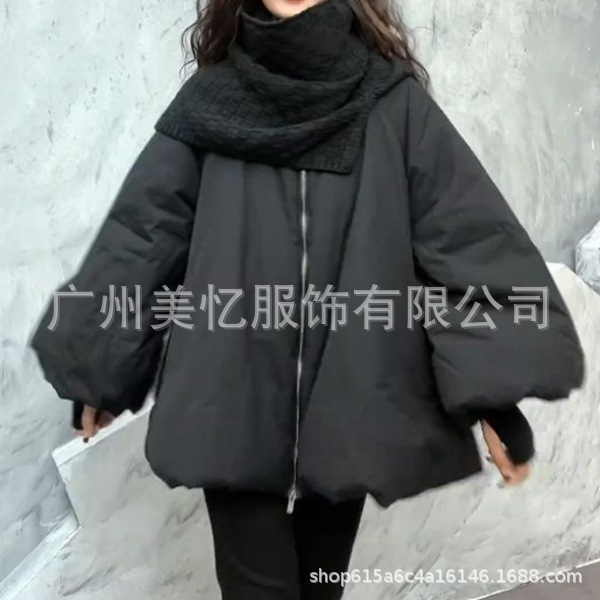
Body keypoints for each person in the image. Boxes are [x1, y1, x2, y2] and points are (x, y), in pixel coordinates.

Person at [30, 0, 585, 598]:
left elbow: (462, 242)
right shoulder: (210, 104)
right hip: (231, 398)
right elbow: (144, 235)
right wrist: (100, 370)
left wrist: (496, 403)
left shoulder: (392, 105)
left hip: (348, 398)